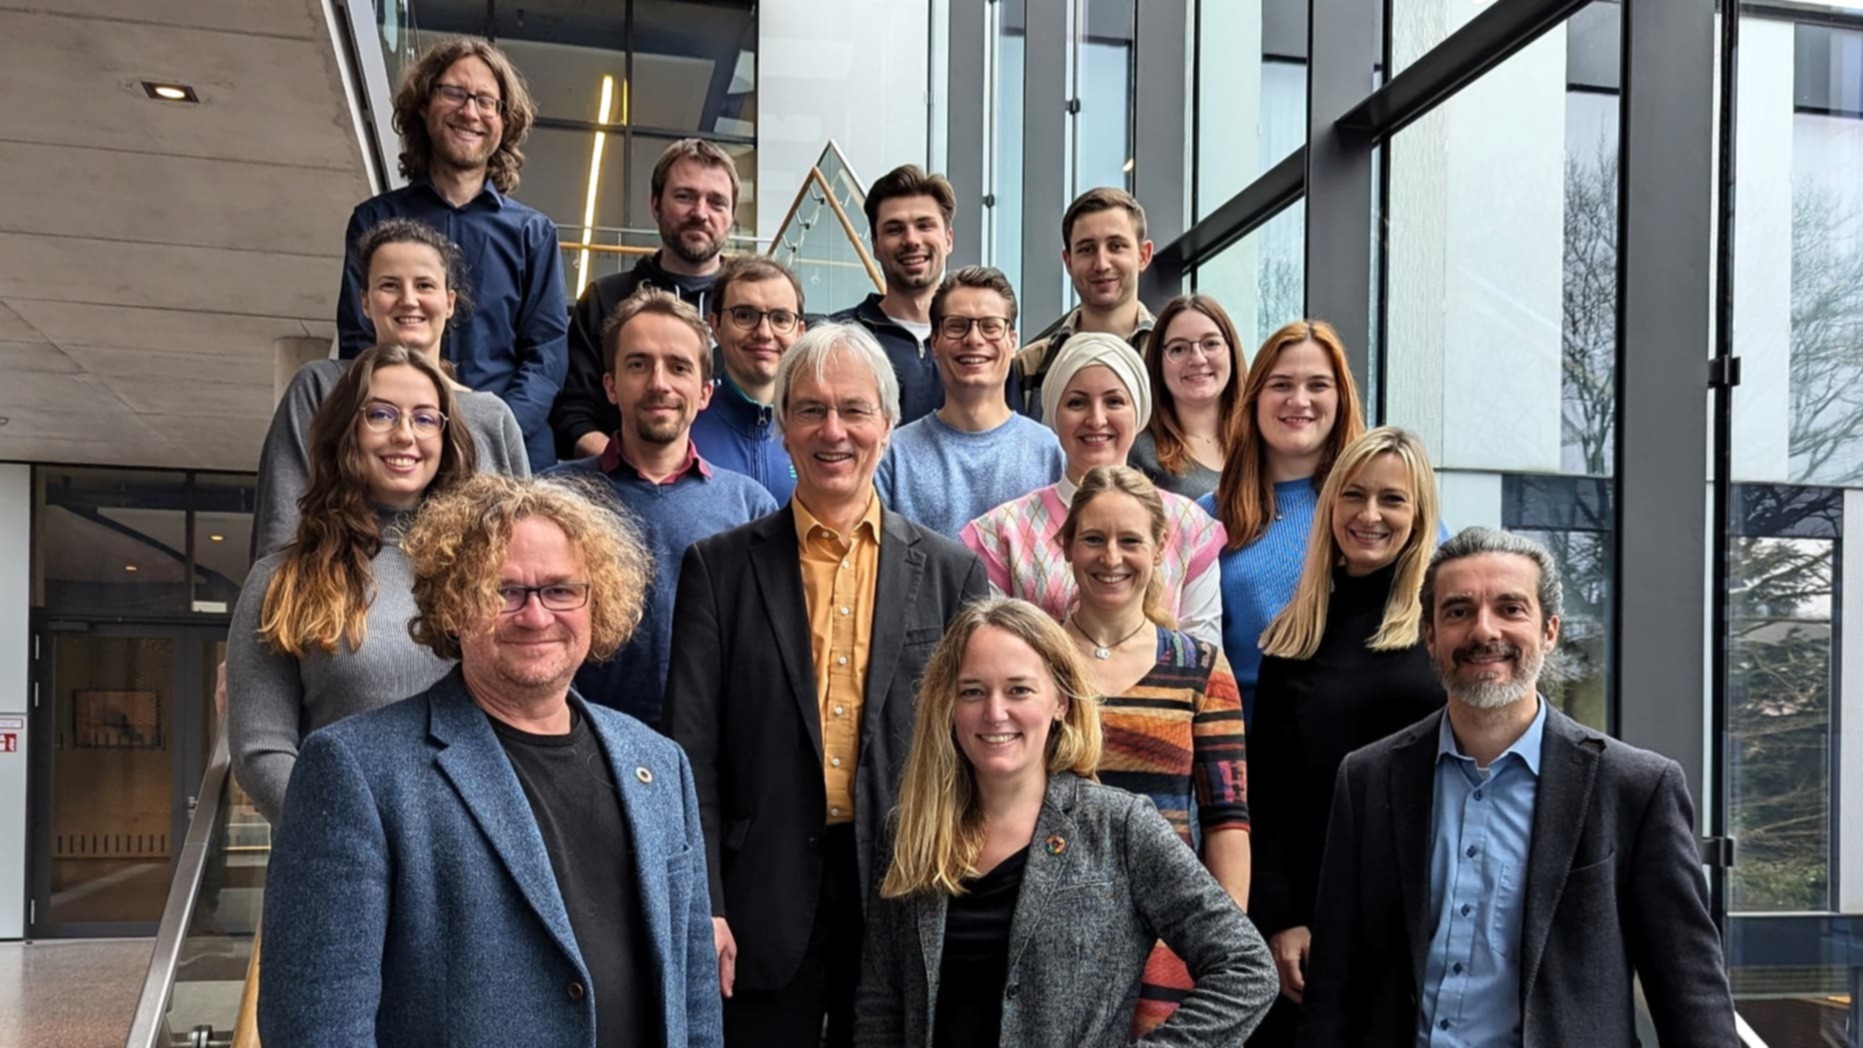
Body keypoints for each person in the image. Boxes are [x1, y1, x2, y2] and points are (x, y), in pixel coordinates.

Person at [260, 473, 720, 1048]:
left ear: (596, 600)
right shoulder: (355, 771)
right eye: (504, 591)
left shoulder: (659, 765)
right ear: (454, 604)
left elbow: (694, 995)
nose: (535, 615)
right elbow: (316, 1029)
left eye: (560, 590)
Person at [662, 322, 989, 1047]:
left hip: (905, 886)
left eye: (853, 409)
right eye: (809, 409)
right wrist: (704, 904)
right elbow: (690, 755)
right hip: (759, 895)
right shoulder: (718, 570)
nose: (832, 430)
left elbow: (975, 750)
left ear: (888, 422)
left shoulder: (949, 572)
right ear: (781, 426)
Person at [1299, 528, 1737, 1047]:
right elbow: (1334, 985)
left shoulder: (1636, 788)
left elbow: (1691, 991)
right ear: (1431, 635)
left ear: (1550, 631)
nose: (1484, 631)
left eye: (1510, 609)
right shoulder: (1368, 779)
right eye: (1459, 611)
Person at [854, 596, 1276, 1048]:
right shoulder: (912, 832)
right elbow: (881, 1003)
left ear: (1060, 700)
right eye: (973, 691)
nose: (995, 713)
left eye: (1019, 690)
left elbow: (1247, 968)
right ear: (948, 704)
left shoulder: (1119, 827)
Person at [1244, 427, 1446, 1046]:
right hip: (1319, 913)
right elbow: (1268, 796)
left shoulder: (1443, 632)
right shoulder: (1291, 640)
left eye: (1393, 500)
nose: (1370, 515)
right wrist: (1283, 917)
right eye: (1353, 496)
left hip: (1425, 910)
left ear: (1419, 517)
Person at [229, 344, 477, 824]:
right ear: (347, 431)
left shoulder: (482, 572)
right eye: (381, 414)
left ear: (447, 440)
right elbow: (262, 752)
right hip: (339, 861)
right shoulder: (283, 579)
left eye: (426, 419)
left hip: (465, 864)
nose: (405, 434)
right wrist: (349, 838)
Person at [1057, 466, 1251, 1038]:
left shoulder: (1201, 668)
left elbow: (1228, 822)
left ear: (1160, 548)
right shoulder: (1032, 659)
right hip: (1048, 925)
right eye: (1093, 538)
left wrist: (1223, 945)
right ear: (1066, 546)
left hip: (1166, 934)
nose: (1110, 557)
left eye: (1129, 540)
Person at [546, 289, 777, 727]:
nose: (659, 383)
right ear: (610, 386)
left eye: (678, 367)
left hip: (710, 747)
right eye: (638, 364)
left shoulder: (750, 507)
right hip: (582, 744)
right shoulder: (555, 497)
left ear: (705, 392)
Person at [335, 39, 566, 472]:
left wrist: (488, 428)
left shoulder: (534, 234)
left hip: (506, 453)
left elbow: (546, 359)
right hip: (401, 449)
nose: (470, 111)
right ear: (423, 104)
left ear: (503, 121)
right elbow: (359, 343)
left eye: (486, 101)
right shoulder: (374, 220)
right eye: (454, 93)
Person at [256, 218, 527, 559]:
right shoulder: (319, 390)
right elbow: (280, 530)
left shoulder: (493, 417)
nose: (408, 300)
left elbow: (520, 550)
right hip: (334, 603)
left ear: (450, 301)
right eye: (389, 285)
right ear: (366, 302)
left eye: (425, 285)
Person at [962, 332, 1227, 648]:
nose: (1096, 419)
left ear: (1138, 412)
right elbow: (991, 655)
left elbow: (1204, 659)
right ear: (1055, 416)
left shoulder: (1188, 526)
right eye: (1077, 402)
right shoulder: (1002, 533)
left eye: (1114, 401)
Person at [1197, 320, 1365, 727]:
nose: (1299, 400)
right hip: (1249, 750)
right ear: (1254, 399)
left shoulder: (1378, 512)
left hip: (1362, 746)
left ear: (1342, 399)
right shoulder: (1208, 516)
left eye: (1318, 385)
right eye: (1281, 385)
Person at [555, 138, 741, 460]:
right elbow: (573, 413)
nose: (700, 213)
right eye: (685, 196)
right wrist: (629, 472)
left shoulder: (753, 313)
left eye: (716, 202)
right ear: (655, 205)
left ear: (732, 215)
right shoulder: (605, 299)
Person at [874, 265, 1063, 537]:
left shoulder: (1052, 455)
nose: (974, 339)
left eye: (990, 326)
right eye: (957, 326)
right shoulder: (893, 458)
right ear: (935, 341)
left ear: (1012, 343)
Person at [1013, 187, 1156, 421]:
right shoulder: (1028, 367)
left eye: (1116, 246)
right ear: (1068, 262)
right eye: (1087, 249)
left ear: (1143, 255)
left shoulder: (1174, 357)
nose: (1101, 264)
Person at [829, 164, 955, 425]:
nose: (911, 240)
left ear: (948, 239)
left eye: (924, 225)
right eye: (894, 229)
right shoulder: (835, 338)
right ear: (875, 245)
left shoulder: (978, 342)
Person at [689, 256, 807, 502]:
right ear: (716, 327)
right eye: (744, 315)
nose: (764, 333)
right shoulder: (684, 427)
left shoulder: (822, 430)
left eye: (781, 319)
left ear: (800, 333)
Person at [1130, 294, 1247, 501]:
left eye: (1210, 344)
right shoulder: (1138, 450)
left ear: (1232, 351)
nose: (1197, 359)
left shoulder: (1261, 440)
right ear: (1159, 363)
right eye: (1178, 349)